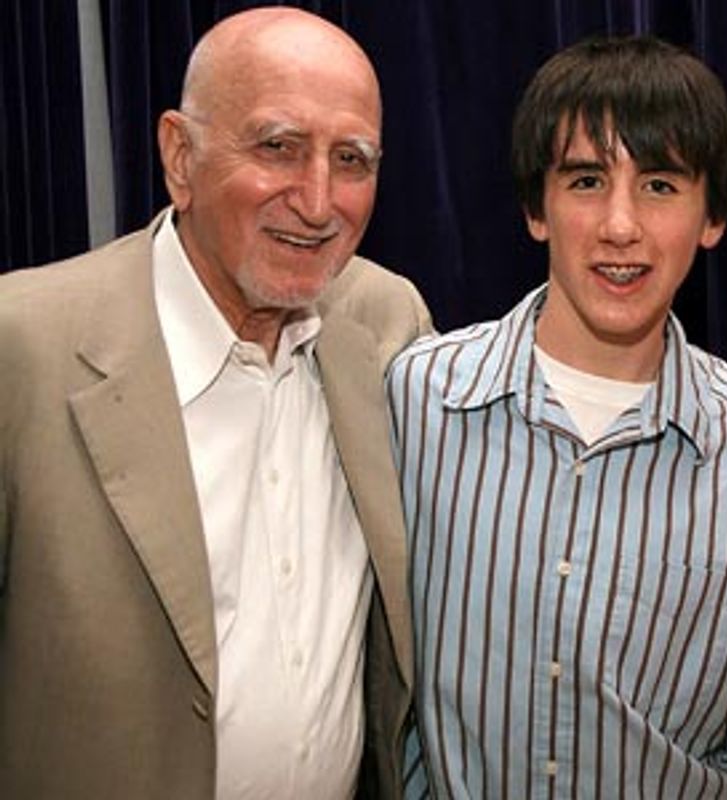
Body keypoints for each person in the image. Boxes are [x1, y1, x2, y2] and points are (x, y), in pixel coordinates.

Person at [0, 8, 432, 798]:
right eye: (278, 148)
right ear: (180, 155)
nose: (317, 201)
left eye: (352, 160)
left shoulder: (385, 325)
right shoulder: (20, 348)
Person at [388, 35, 727, 797]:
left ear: (714, 218)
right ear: (536, 208)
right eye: (585, 180)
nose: (619, 225)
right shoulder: (419, 399)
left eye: (662, 186)